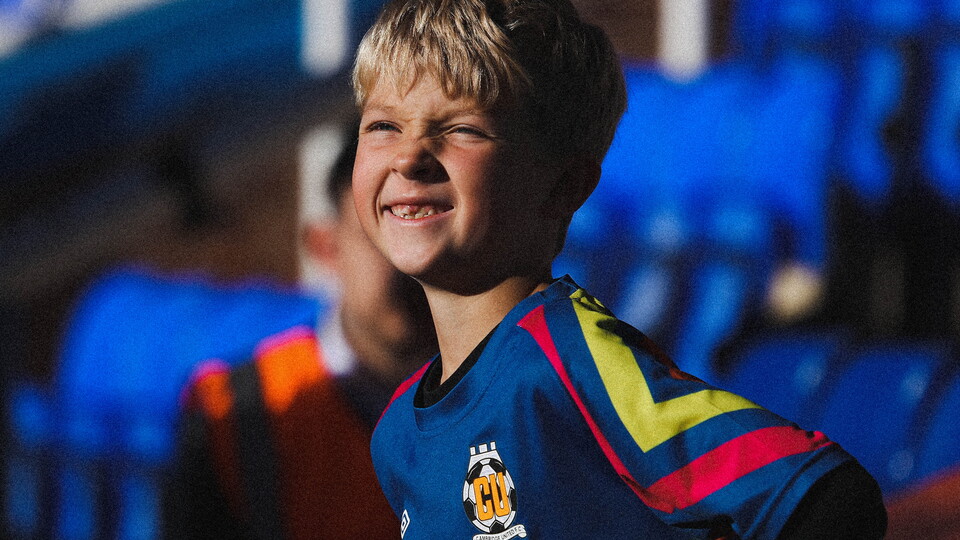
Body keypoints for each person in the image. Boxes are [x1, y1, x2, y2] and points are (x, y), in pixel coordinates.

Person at [351, 0, 888, 538]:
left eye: (463, 129)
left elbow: (821, 493)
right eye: (382, 125)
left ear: (563, 186)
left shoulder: (566, 359)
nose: (409, 156)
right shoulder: (397, 432)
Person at [164, 131, 438, 539]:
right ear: (325, 246)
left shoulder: (515, 394)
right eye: (379, 232)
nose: (405, 261)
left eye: (427, 227)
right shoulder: (237, 411)